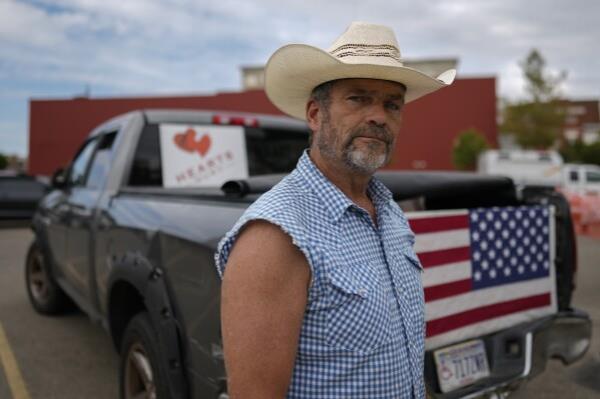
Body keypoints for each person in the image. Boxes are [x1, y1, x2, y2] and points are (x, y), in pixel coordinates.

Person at [215, 21, 455, 399]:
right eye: (358, 98)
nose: (379, 115)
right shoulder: (276, 236)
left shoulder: (389, 212)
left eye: (392, 104)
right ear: (314, 115)